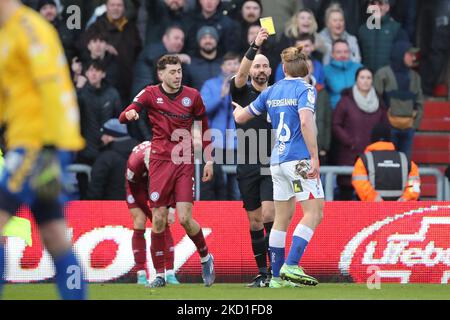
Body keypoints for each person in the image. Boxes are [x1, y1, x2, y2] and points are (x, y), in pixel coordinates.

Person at [0, 0, 86, 299]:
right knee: (54, 235)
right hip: (28, 143)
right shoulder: (5, 35)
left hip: (39, 145)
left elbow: (54, 89)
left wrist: (51, 149)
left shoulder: (30, 29)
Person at [119, 55, 215, 288]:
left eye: (179, 70)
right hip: (160, 162)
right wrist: (130, 114)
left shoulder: (192, 96)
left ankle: (205, 257)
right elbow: (125, 114)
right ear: (161, 74)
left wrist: (209, 160)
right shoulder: (150, 93)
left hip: (183, 160)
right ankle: (160, 274)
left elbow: (204, 128)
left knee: (184, 218)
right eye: (172, 72)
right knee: (159, 220)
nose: (177, 75)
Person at [232, 45, 324, 288]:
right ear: (305, 68)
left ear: (283, 68)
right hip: (299, 160)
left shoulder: (272, 91)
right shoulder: (305, 89)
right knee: (314, 213)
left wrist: (239, 110)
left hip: (277, 162)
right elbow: (305, 121)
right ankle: (291, 265)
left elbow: (241, 118)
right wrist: (314, 157)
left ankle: (275, 278)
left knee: (282, 219)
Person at [230, 28, 275, 287]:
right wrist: (255, 46)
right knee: (255, 220)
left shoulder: (277, 93)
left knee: (269, 214)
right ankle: (263, 272)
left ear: (270, 72)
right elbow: (241, 74)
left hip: (271, 162)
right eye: (256, 66)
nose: (259, 70)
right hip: (247, 163)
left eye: (264, 66)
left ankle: (275, 269)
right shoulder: (240, 92)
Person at [125, 141, 179, 285]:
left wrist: (172, 210)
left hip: (160, 183)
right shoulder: (134, 164)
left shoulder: (169, 158)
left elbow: (174, 186)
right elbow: (138, 194)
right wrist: (151, 214)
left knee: (164, 221)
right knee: (140, 221)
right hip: (137, 187)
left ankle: (170, 273)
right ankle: (141, 273)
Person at [332, 67, 387, 200]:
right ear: (356, 80)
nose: (366, 81)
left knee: (368, 195)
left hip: (372, 156)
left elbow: (385, 126)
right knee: (346, 193)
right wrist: (350, 142)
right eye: (362, 77)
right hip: (349, 155)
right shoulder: (345, 101)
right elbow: (336, 124)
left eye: (369, 78)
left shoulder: (379, 102)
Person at [75, 61, 122, 199]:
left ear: (103, 74)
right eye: (90, 70)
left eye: (97, 70)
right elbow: (71, 113)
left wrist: (113, 137)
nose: (94, 73)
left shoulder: (112, 94)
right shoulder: (81, 93)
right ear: (86, 74)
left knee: (106, 189)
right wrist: (78, 88)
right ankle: (84, 217)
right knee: (85, 189)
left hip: (106, 150)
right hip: (84, 149)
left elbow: (119, 119)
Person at [79, 0, 142, 103]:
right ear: (106, 7)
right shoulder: (97, 26)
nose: (115, 8)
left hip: (126, 83)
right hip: (103, 85)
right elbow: (81, 44)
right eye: (112, 5)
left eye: (119, 5)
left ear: (124, 8)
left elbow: (138, 50)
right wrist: (104, 47)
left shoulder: (130, 27)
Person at [200, 52, 240, 201]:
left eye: (235, 63)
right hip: (215, 144)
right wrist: (220, 97)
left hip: (236, 145)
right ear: (222, 67)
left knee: (236, 187)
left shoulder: (245, 84)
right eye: (229, 64)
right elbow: (202, 110)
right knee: (216, 183)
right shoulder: (210, 85)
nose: (232, 67)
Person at [374, 40, 424, 158]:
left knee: (405, 164)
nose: (413, 58)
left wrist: (414, 125)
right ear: (400, 54)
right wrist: (383, 123)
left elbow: (419, 102)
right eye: (410, 55)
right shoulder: (383, 74)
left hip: (408, 128)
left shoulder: (415, 77)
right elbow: (377, 101)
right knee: (388, 162)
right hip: (388, 128)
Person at [352, 122, 421, 201]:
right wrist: (404, 200)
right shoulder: (405, 160)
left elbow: (360, 185)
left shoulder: (363, 160)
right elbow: (415, 186)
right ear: (390, 139)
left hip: (371, 211)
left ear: (372, 139)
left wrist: (377, 201)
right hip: (400, 211)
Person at [86, 119, 139, 200]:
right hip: (139, 208)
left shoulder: (106, 157)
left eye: (103, 134)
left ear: (110, 137)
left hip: (111, 208)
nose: (102, 138)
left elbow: (95, 189)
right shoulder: (141, 153)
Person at [358, 0, 409, 73]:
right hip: (368, 80)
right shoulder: (362, 30)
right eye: (372, 3)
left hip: (389, 79)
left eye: (380, 3)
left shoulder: (397, 29)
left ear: (387, 7)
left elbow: (403, 59)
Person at [324, 39, 362, 109]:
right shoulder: (325, 70)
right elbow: (323, 94)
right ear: (332, 54)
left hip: (358, 109)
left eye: (346, 52)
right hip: (335, 109)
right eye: (339, 52)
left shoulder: (359, 68)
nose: (343, 55)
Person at [187, 26, 223, 90]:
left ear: (216, 41)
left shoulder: (224, 63)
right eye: (204, 38)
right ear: (199, 42)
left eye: (211, 38)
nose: (208, 41)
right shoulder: (190, 65)